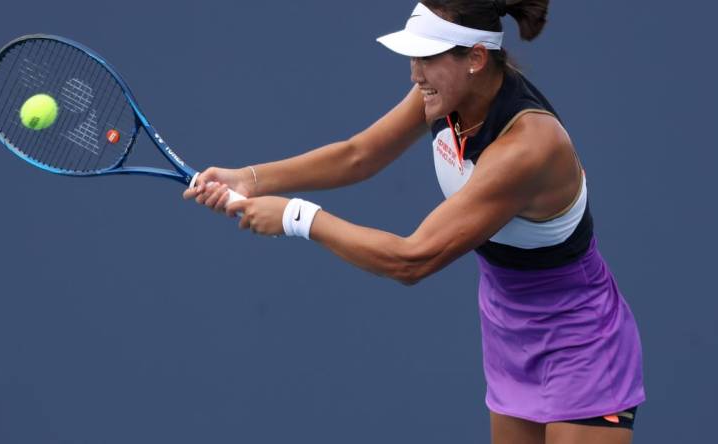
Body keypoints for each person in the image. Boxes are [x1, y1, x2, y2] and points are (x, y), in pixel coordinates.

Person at [183, 1, 646, 442]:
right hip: (507, 327)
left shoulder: (528, 147)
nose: (414, 73)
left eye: (425, 58)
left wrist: (296, 216)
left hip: (579, 341)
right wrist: (249, 178)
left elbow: (413, 259)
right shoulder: (444, 97)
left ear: (476, 59)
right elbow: (358, 155)